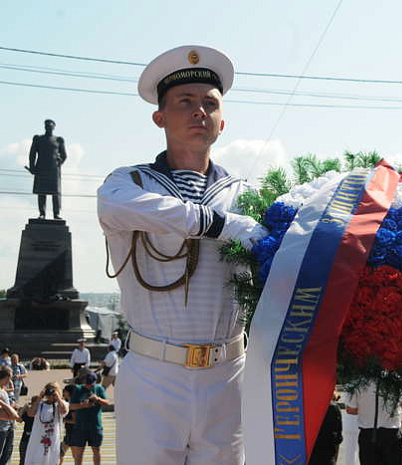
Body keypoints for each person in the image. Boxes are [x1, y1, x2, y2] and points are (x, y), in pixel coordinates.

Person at [97, 45, 267, 465]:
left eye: (209, 104)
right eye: (185, 103)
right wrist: (218, 224)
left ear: (222, 122)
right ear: (160, 118)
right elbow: (112, 207)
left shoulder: (244, 195)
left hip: (228, 372)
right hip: (155, 371)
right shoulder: (132, 182)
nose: (199, 112)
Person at [346, 381, 402, 465]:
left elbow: (351, 409)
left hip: (368, 433)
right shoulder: (396, 379)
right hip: (391, 432)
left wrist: (366, 410)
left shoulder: (358, 382)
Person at [27, 119, 67, 220]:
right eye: (47, 125)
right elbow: (32, 154)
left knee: (55, 193)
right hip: (41, 168)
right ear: (44, 127)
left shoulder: (58, 140)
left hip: (54, 170)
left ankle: (56, 214)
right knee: (42, 192)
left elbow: (64, 155)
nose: (49, 127)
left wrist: (59, 162)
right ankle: (42, 213)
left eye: (51, 125)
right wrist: (32, 167)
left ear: (54, 127)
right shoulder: (38, 139)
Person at [69, 373, 109, 465]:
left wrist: (98, 399)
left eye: (91, 384)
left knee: (96, 450)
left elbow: (107, 402)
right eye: (87, 383)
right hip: (80, 426)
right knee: (79, 452)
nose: (89, 386)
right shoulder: (78, 389)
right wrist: (83, 405)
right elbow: (71, 406)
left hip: (95, 426)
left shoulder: (99, 389)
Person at [24, 382, 68, 465]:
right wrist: (40, 397)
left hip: (53, 440)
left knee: (51, 460)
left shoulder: (60, 404)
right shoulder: (40, 405)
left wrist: (58, 398)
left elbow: (64, 411)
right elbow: (30, 414)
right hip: (37, 440)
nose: (50, 395)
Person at [309, 391, 343, 465]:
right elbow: (337, 439)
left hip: (308, 456)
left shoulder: (303, 406)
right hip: (327, 457)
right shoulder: (333, 408)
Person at [0, 366, 19, 465]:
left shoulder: (3, 389)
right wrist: (11, 414)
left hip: (8, 426)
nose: (10, 380)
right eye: (9, 378)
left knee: (7, 454)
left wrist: (11, 407)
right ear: (5, 377)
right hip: (2, 428)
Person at [18, 395, 40, 465]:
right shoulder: (27, 413)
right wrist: (24, 408)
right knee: (23, 461)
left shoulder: (40, 414)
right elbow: (19, 419)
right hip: (26, 440)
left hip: (35, 441)